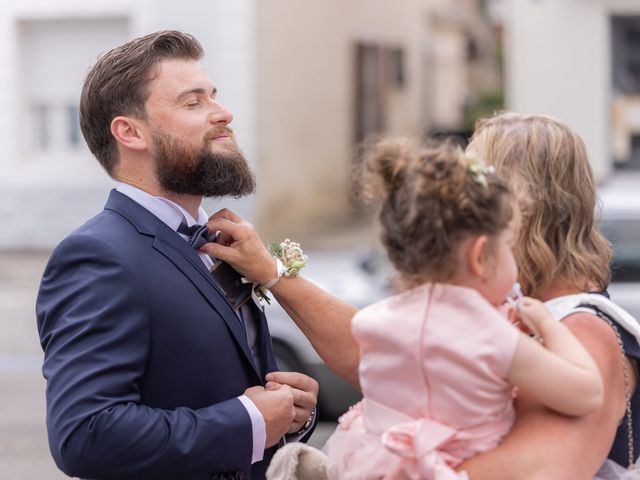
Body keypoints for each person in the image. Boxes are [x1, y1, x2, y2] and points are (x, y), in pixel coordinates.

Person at [202, 112, 638, 478]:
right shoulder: (491, 306)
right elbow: (376, 354)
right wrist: (274, 273)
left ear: (521, 207)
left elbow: (535, 471)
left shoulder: (585, 331)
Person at [35, 30, 318, 480]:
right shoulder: (97, 256)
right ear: (130, 132)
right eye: (193, 103)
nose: (223, 114)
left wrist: (287, 417)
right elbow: (84, 434)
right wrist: (248, 421)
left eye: (214, 97)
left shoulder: (223, 242)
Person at [320, 139, 603, 479]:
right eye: (510, 247)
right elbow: (587, 392)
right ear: (480, 256)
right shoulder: (490, 335)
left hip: (375, 463)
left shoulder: (371, 324)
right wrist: (547, 324)